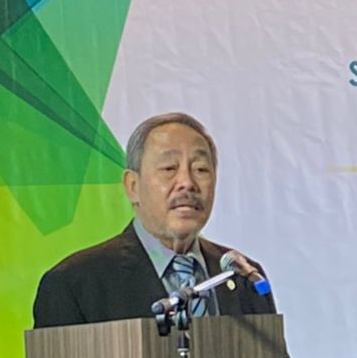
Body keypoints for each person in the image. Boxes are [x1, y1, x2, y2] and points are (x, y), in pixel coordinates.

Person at [32, 112, 277, 328]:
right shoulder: (74, 285)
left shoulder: (245, 277)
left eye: (201, 169)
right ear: (132, 186)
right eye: (169, 168)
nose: (187, 183)